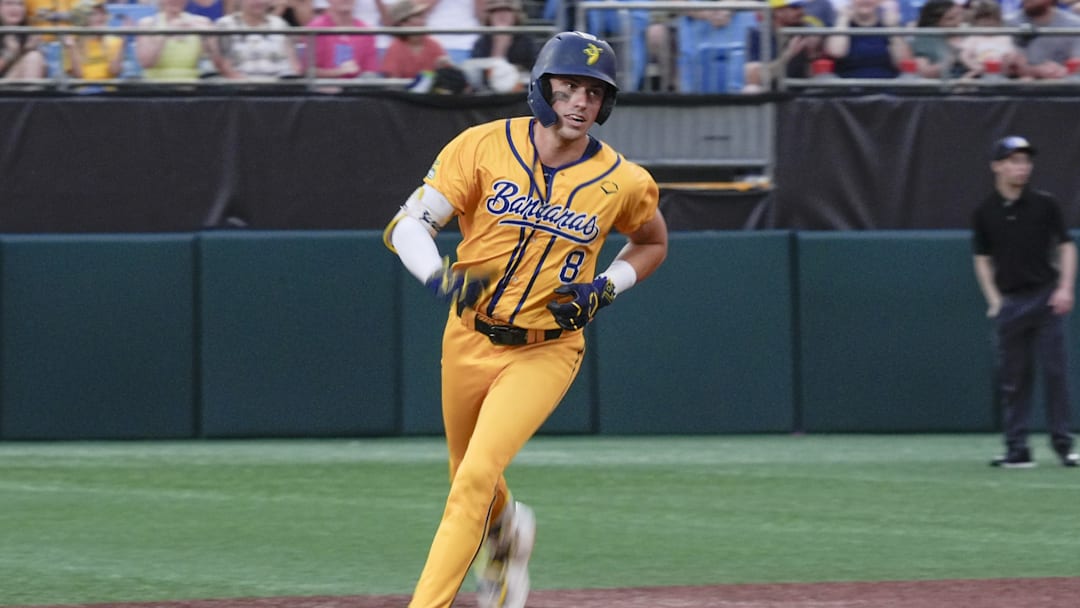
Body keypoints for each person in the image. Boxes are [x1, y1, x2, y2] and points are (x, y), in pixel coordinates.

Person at [383, 30, 668, 608]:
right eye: (570, 86)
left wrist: (605, 287)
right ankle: (507, 534)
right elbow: (408, 224)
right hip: (468, 335)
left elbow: (652, 242)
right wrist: (438, 275)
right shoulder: (482, 146)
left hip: (546, 347)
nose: (581, 101)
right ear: (541, 86)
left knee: (473, 479)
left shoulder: (624, 180)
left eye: (594, 91)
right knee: (467, 472)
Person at [972, 135, 1079, 469]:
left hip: (1045, 299)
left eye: (1026, 161)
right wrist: (994, 301)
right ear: (997, 166)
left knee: (1055, 374)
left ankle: (1064, 446)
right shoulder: (985, 212)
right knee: (1014, 379)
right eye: (1014, 161)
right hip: (1011, 303)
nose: (1022, 167)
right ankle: (1017, 449)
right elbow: (981, 258)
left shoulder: (1045, 205)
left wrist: (1065, 288)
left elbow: (1066, 245)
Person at [743, 0, 825, 92]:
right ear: (778, 11)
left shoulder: (805, 29)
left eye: (802, 7)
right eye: (795, 8)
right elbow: (753, 77)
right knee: (751, 90)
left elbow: (814, 66)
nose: (801, 11)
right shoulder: (758, 33)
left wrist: (813, 52)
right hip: (770, 91)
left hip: (802, 90)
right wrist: (788, 55)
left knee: (826, 80)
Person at [213, 0, 301, 80]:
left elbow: (293, 64)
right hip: (241, 86)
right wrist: (248, 84)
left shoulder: (280, 24)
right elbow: (224, 66)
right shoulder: (225, 25)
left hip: (281, 85)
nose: (258, 1)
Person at [824, 0, 910, 78]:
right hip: (848, 85)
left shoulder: (889, 25)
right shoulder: (841, 24)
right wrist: (843, 20)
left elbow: (902, 62)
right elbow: (836, 53)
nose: (865, 1)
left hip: (887, 85)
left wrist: (892, 27)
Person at [134, 0, 214, 81]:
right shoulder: (147, 24)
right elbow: (146, 63)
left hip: (192, 85)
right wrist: (166, 33)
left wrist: (209, 37)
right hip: (155, 85)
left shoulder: (202, 22)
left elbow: (215, 61)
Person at [1005, 0, 1080, 80]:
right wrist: (1034, 71)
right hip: (1016, 83)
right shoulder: (1008, 23)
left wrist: (1060, 72)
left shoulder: (1074, 25)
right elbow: (1005, 66)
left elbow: (1076, 66)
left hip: (1063, 82)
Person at [306, 0, 380, 78]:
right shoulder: (315, 29)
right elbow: (308, 71)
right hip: (324, 84)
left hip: (358, 84)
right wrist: (337, 72)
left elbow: (370, 72)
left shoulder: (366, 31)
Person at [380, 0, 448, 80]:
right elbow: (392, 82)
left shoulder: (434, 45)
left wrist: (443, 68)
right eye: (417, 16)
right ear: (403, 23)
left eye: (422, 16)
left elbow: (447, 76)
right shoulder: (395, 48)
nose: (423, 21)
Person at [958, 0, 1021, 78]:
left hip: (1003, 72)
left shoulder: (1005, 37)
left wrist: (1006, 64)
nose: (987, 22)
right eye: (982, 18)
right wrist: (976, 67)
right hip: (980, 73)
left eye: (991, 18)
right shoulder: (973, 38)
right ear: (975, 20)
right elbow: (964, 56)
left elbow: (1013, 54)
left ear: (998, 19)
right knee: (966, 78)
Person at [64, 0, 124, 80]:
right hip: (83, 87)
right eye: (93, 14)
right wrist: (72, 48)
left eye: (103, 13)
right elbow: (78, 76)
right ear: (82, 18)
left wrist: (123, 42)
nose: (100, 17)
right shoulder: (72, 43)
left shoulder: (116, 41)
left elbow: (115, 72)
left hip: (108, 87)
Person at [909, 0, 966, 79]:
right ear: (935, 22)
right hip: (944, 83)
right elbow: (925, 72)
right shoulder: (925, 40)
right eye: (950, 19)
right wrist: (952, 58)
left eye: (959, 15)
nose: (958, 21)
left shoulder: (970, 34)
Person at [0, 0, 47, 79]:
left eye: (20, 4)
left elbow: (45, 69)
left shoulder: (29, 32)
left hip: (18, 80)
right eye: (9, 3)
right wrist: (8, 55)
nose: (15, 8)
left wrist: (27, 49)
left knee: (34, 57)